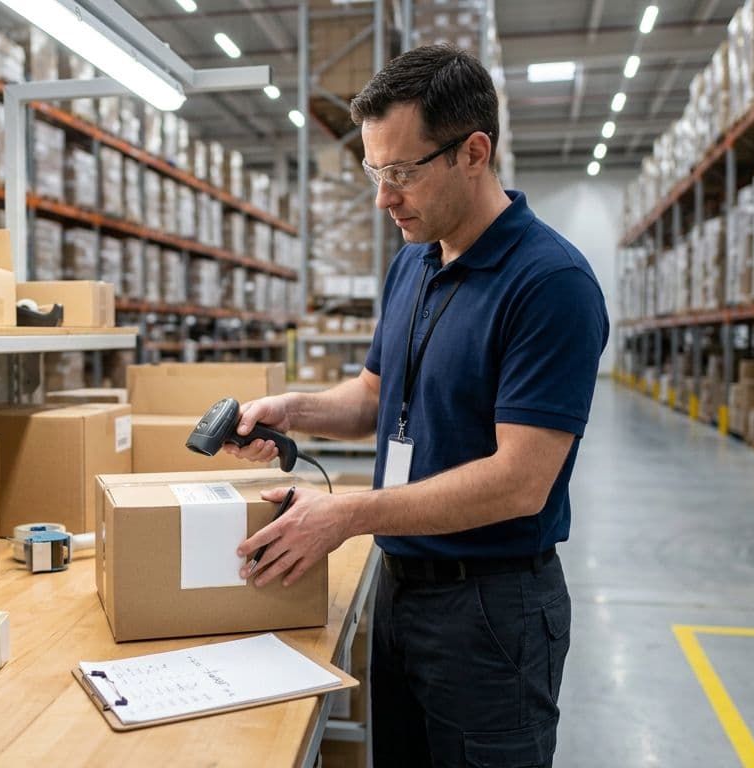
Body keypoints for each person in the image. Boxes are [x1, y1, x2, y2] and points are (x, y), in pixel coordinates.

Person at [223, 44, 608, 767]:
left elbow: (521, 481)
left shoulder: (550, 283)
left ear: (474, 152)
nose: (383, 198)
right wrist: (292, 410)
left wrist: (345, 514)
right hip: (401, 591)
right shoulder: (415, 263)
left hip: (492, 612)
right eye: (375, 172)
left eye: (401, 172)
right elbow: (376, 395)